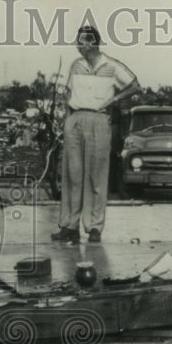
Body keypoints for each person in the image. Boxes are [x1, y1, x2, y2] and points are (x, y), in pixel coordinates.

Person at [51, 25, 141, 244]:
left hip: (99, 120)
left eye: (81, 41)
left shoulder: (112, 66)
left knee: (96, 176)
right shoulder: (76, 65)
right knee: (73, 175)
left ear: (92, 43)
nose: (77, 45)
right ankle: (70, 226)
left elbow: (135, 86)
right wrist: (66, 121)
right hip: (75, 120)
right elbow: (68, 94)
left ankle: (94, 228)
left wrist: (114, 100)